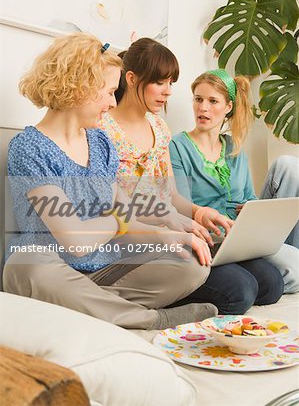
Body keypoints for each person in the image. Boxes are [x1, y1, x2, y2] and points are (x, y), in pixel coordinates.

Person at [3, 33, 221, 331]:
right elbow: (76, 240)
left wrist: (170, 235)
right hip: (52, 267)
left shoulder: (101, 142)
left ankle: (89, 307)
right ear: (79, 88)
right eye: (108, 92)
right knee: (27, 264)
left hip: (103, 270)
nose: (111, 102)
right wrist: (120, 221)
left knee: (190, 265)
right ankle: (147, 319)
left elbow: (125, 211)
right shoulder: (29, 148)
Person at [100, 39, 284, 314]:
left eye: (171, 83)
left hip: (170, 230)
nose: (168, 92)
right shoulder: (103, 127)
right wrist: (170, 228)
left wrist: (199, 214)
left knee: (271, 284)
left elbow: (171, 196)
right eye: (161, 83)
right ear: (131, 78)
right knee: (241, 291)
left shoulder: (159, 127)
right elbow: (112, 209)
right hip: (138, 239)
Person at [169, 69, 299, 300]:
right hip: (215, 237)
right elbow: (180, 204)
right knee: (287, 274)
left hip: (245, 234)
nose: (203, 108)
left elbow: (249, 195)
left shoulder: (234, 148)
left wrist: (252, 208)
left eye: (212, 101)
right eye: (198, 99)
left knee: (291, 167)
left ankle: (278, 255)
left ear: (228, 107)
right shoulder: (178, 146)